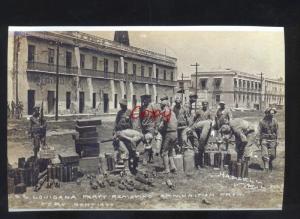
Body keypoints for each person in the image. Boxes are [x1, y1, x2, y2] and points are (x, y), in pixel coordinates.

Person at [158, 95, 178, 174]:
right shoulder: (172, 112)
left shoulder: (166, 110)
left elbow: (164, 121)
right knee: (170, 151)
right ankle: (173, 167)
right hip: (175, 133)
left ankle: (166, 169)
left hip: (169, 133)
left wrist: (159, 127)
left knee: (164, 152)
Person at [257, 107, 279, 172]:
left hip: (272, 139)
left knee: (273, 155)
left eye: (273, 113)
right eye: (271, 113)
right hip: (264, 139)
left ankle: (270, 161)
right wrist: (258, 140)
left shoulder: (275, 121)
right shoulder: (262, 121)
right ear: (267, 113)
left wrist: (277, 140)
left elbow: (277, 130)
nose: (273, 114)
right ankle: (266, 168)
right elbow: (259, 131)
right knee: (264, 154)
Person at [112, 99, 133, 164]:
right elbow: (116, 121)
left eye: (122, 105)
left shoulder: (129, 112)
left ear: (125, 105)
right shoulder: (119, 112)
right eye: (120, 105)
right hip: (119, 131)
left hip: (126, 132)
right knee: (117, 145)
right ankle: (117, 160)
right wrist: (114, 130)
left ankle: (127, 160)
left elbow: (131, 123)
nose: (121, 106)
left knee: (126, 147)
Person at [139, 94, 156, 165]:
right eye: (143, 100)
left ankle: (145, 159)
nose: (144, 101)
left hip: (151, 127)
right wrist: (141, 127)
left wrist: (156, 127)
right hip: (144, 128)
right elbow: (140, 118)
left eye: (145, 100)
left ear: (148, 100)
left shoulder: (152, 107)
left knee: (147, 141)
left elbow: (157, 117)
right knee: (146, 142)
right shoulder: (142, 108)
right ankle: (151, 157)